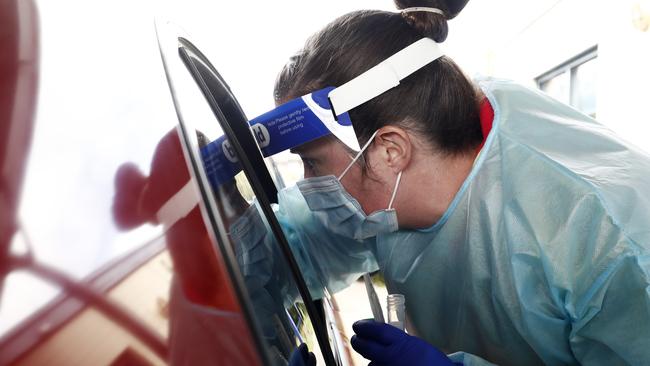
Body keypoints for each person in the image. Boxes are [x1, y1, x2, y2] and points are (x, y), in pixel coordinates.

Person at [230, 0, 650, 364]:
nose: (307, 185)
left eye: (313, 164)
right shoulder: (395, 180)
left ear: (389, 150)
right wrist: (221, 203)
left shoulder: (607, 246)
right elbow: (289, 254)